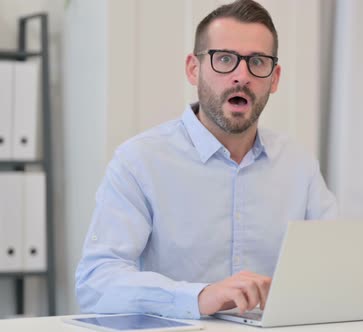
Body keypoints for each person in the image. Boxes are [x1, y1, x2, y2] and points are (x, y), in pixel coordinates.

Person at [75, 0, 337, 320]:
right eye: (224, 59)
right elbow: (95, 283)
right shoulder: (139, 160)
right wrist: (199, 296)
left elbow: (334, 267)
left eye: (257, 61)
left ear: (274, 77)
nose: (242, 76)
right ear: (193, 69)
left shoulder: (299, 165)